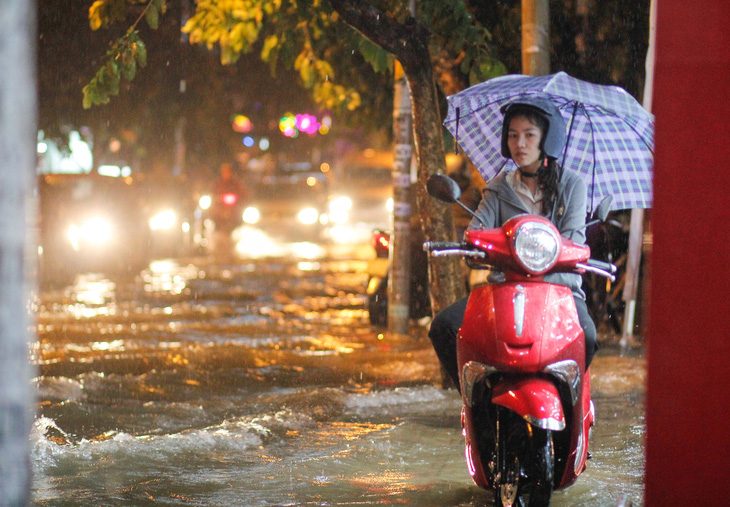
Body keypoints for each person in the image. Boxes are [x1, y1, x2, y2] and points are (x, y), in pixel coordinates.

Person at [428, 97, 598, 392]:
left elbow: (575, 241)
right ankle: (476, 397)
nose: (520, 143)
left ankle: (568, 398)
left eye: (529, 135)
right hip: (505, 293)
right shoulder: (498, 187)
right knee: (442, 326)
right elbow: (476, 232)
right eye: (513, 135)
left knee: (589, 336)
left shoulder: (572, 185)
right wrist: (475, 245)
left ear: (549, 139)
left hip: (560, 293)